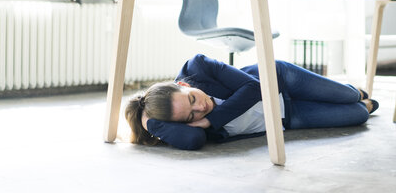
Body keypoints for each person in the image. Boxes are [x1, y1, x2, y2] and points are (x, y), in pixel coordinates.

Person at [125, 54, 378, 150]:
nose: (200, 108)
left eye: (192, 99)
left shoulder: (198, 66)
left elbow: (254, 88)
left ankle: (352, 90)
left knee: (349, 97)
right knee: (359, 115)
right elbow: (192, 140)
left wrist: (210, 120)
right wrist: (148, 121)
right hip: (286, 116)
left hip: (282, 81)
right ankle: (361, 103)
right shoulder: (182, 125)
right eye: (191, 116)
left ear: (184, 85)